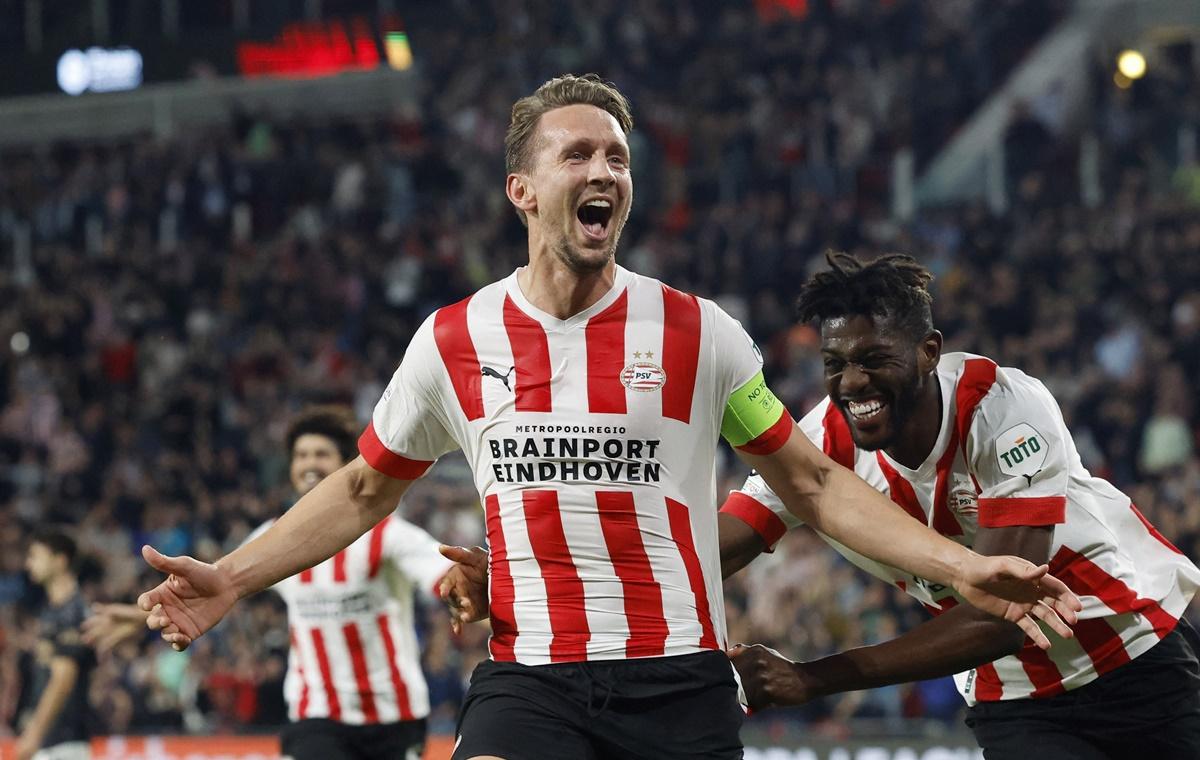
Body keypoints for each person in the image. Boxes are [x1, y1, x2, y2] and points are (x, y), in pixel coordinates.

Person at [135, 74, 1079, 760]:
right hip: (532, 677)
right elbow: (362, 486)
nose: (606, 171)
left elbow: (814, 483)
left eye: (618, 157)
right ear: (522, 190)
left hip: (679, 681)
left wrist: (965, 565)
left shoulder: (700, 332)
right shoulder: (453, 340)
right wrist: (230, 578)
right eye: (578, 154)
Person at [720, 252, 1200, 758]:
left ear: (929, 352)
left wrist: (811, 678)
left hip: (1133, 658)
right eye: (835, 365)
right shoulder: (817, 448)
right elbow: (724, 543)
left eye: (874, 359)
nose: (853, 382)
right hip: (1016, 700)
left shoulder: (1002, 408)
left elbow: (1001, 616)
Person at [84, 406, 460, 760]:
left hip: (395, 715)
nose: (310, 463)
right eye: (301, 455)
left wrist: (466, 593)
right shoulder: (274, 539)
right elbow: (209, 587)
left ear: (347, 466)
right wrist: (140, 616)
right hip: (316, 715)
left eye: (321, 454)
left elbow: (444, 576)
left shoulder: (389, 534)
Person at [17, 529, 96, 760]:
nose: (28, 563)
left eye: (35, 556)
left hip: (64, 744)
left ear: (60, 561)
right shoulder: (51, 610)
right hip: (51, 743)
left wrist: (33, 733)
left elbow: (63, 677)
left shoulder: (72, 612)